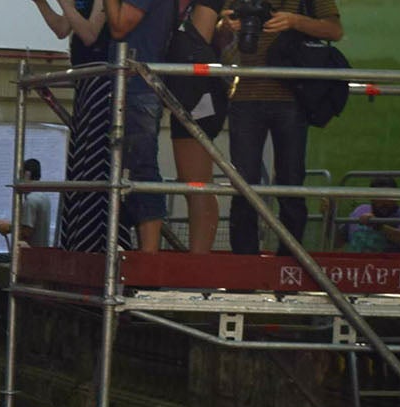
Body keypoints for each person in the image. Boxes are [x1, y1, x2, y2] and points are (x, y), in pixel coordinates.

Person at [225, 0, 344, 255]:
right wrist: (229, 23)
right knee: (243, 183)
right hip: (245, 95)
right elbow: (216, 34)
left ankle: (290, 263)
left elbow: (335, 31)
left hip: (292, 95)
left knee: (291, 181)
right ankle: (243, 264)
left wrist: (294, 21)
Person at [31, 0, 118, 252]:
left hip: (102, 80)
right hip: (85, 81)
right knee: (80, 155)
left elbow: (90, 34)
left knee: (95, 157)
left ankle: (97, 239)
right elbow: (62, 28)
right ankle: (78, 238)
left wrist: (64, 3)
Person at [103, 0, 177, 252]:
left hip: (138, 87)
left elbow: (120, 26)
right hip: (133, 86)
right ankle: (144, 253)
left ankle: (149, 255)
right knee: (130, 170)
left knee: (142, 170)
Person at [164, 2, 224, 253]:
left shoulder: (202, 10)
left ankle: (199, 258)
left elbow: (198, 39)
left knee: (196, 182)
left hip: (199, 94)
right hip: (187, 93)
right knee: (191, 180)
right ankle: (199, 254)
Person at [0, 159, 58, 247]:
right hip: (41, 251)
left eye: (19, 175)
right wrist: (4, 224)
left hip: (31, 254)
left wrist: (8, 228)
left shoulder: (31, 200)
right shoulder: (43, 196)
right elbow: (31, 225)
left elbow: (26, 231)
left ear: (27, 175)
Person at [342, 177, 400, 253]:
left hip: (388, 265)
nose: (384, 202)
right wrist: (330, 215)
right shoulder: (360, 210)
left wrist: (380, 226)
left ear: (396, 197)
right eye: (379, 197)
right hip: (355, 264)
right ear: (371, 198)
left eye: (388, 197)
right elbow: (338, 239)